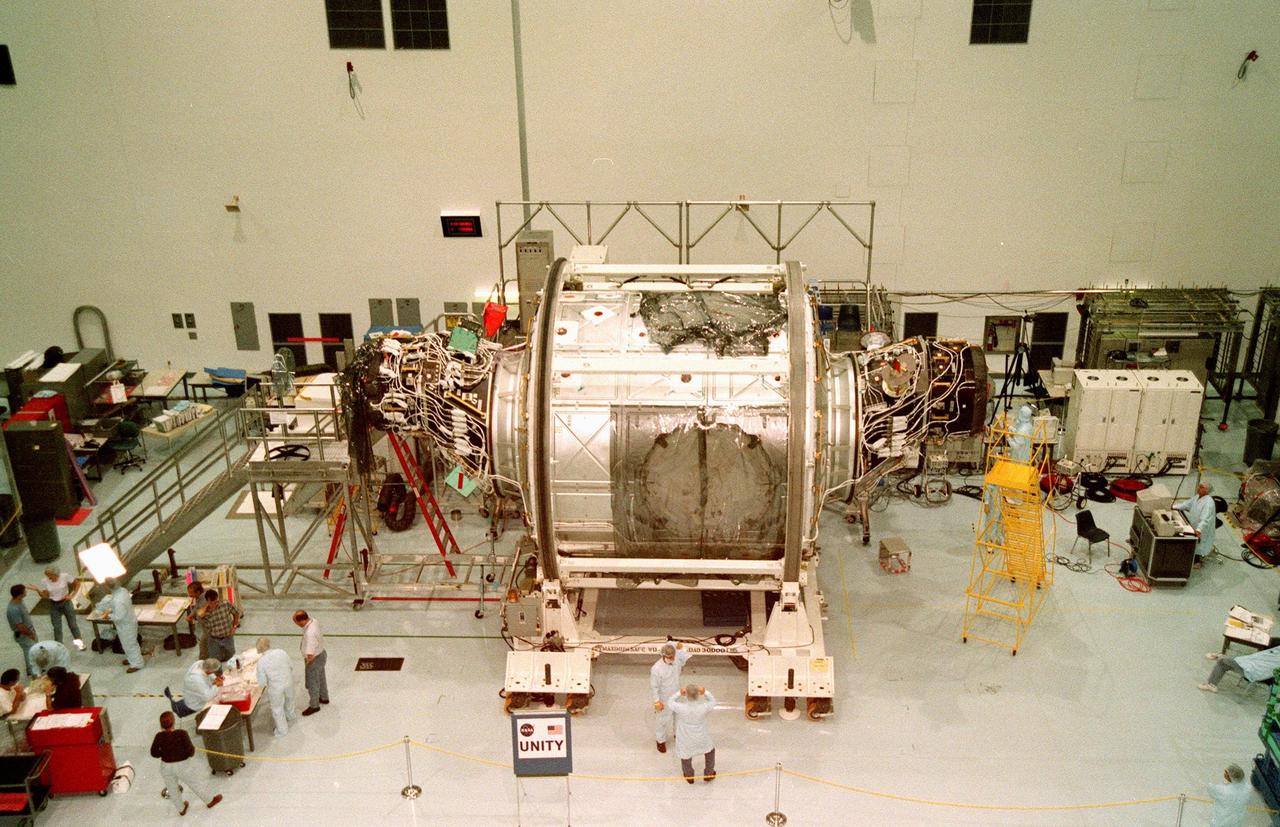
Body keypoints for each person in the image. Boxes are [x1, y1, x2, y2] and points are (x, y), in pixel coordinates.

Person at [150, 711, 223, 815]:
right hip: (183, 766)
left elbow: (154, 753)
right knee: (195, 783)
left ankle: (181, 809)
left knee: (172, 788)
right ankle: (209, 801)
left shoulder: (159, 736)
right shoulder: (182, 733)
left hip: (166, 766)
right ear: (173, 722)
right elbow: (191, 752)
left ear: (161, 725)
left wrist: (164, 753)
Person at [669, 684, 717, 784]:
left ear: (686, 695)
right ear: (698, 695)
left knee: (685, 755)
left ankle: (689, 776)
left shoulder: (681, 708)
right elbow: (713, 701)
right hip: (701, 735)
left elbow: (670, 702)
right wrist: (705, 692)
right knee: (710, 751)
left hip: (685, 736)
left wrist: (679, 693)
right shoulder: (703, 707)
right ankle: (709, 774)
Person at [28, 567, 84, 649]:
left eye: (50, 576)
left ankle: (80, 644)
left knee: (73, 625)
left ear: (55, 574)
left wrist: (72, 595)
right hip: (54, 605)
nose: (48, 578)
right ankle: (59, 648)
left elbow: (77, 583)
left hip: (66, 603)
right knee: (57, 628)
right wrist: (38, 590)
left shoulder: (65, 576)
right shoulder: (44, 581)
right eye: (47, 576)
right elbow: (45, 596)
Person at [650, 642, 690, 753]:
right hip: (664, 697)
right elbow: (654, 687)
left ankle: (678, 736)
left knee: (679, 717)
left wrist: (680, 647)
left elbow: (681, 654)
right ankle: (660, 741)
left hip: (677, 694)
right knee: (662, 720)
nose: (672, 659)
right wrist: (657, 701)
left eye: (673, 656)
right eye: (670, 657)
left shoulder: (676, 659)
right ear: (664, 656)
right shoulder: (656, 669)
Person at [254, 637, 299, 737]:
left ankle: (282, 730)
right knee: (289, 700)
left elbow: (262, 682)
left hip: (275, 688)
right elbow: (291, 665)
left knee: (277, 709)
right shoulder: (281, 652)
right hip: (288, 682)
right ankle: (291, 715)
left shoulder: (261, 662)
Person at [102, 578, 143, 673]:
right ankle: (132, 659)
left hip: (126, 625)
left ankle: (137, 664)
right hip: (128, 621)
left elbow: (119, 616)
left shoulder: (118, 600)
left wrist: (108, 616)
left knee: (130, 645)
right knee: (127, 644)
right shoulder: (123, 591)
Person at [1199, 644, 1280, 692]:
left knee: (1224, 661)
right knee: (1222, 664)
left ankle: (1219, 656)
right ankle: (1211, 684)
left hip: (1254, 671)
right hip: (1250, 664)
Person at [293, 610, 328, 715]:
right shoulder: (313, 621)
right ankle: (324, 697)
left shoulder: (309, 634)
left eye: (296, 622)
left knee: (312, 682)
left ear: (302, 621)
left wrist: (308, 664)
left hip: (314, 659)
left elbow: (310, 654)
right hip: (321, 654)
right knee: (321, 678)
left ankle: (314, 705)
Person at [1176, 482, 1217, 568]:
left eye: (1201, 487)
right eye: (1199, 486)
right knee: (1193, 543)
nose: (1198, 488)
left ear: (1206, 490)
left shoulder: (1208, 503)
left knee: (1198, 546)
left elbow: (1205, 519)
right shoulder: (1197, 497)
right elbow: (1186, 504)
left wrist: (1199, 529)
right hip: (1194, 524)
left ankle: (1197, 562)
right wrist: (1174, 506)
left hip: (1202, 528)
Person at [197, 590, 240, 663]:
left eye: (216, 601)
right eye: (212, 602)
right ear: (207, 601)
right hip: (214, 639)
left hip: (227, 637)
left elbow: (236, 613)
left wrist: (234, 626)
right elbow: (199, 614)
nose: (215, 604)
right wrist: (207, 606)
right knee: (215, 660)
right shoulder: (204, 611)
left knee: (230, 656)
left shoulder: (225, 604)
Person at [6, 585, 38, 678]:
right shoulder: (13, 609)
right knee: (30, 654)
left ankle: (30, 671)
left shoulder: (19, 601)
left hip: (29, 630)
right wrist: (30, 634)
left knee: (33, 651)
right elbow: (20, 626)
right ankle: (34, 674)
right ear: (20, 595)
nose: (26, 592)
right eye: (24, 591)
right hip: (24, 634)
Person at [184, 581, 209, 660]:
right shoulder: (200, 596)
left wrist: (195, 616)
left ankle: (202, 660)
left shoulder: (204, 600)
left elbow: (201, 612)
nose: (189, 595)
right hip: (205, 625)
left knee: (203, 644)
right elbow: (196, 607)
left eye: (191, 593)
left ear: (198, 592)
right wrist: (191, 615)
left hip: (209, 626)